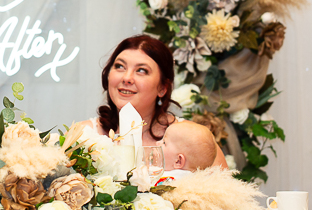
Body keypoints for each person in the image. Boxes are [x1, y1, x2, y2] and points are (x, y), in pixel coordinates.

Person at [79, 35, 227, 168]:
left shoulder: (194, 141)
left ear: (162, 88)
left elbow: (223, 195)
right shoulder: (82, 135)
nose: (126, 78)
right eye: (120, 66)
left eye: (141, 70)